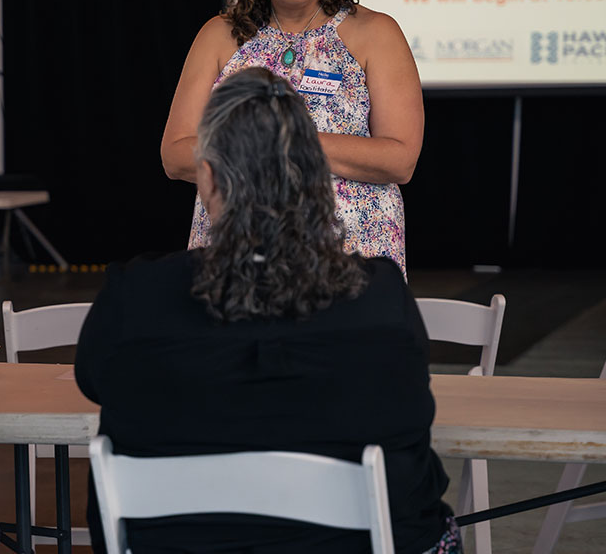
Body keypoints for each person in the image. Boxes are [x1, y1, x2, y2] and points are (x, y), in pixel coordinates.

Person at [78, 68, 458, 554]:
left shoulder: (136, 295)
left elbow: (94, 381)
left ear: (208, 177)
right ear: (315, 179)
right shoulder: (379, 295)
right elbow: (410, 417)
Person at [161, 0, 423, 275]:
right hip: (237, 252)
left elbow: (400, 160)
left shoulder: (376, 32)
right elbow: (175, 154)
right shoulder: (218, 36)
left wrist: (284, 140)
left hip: (348, 254)